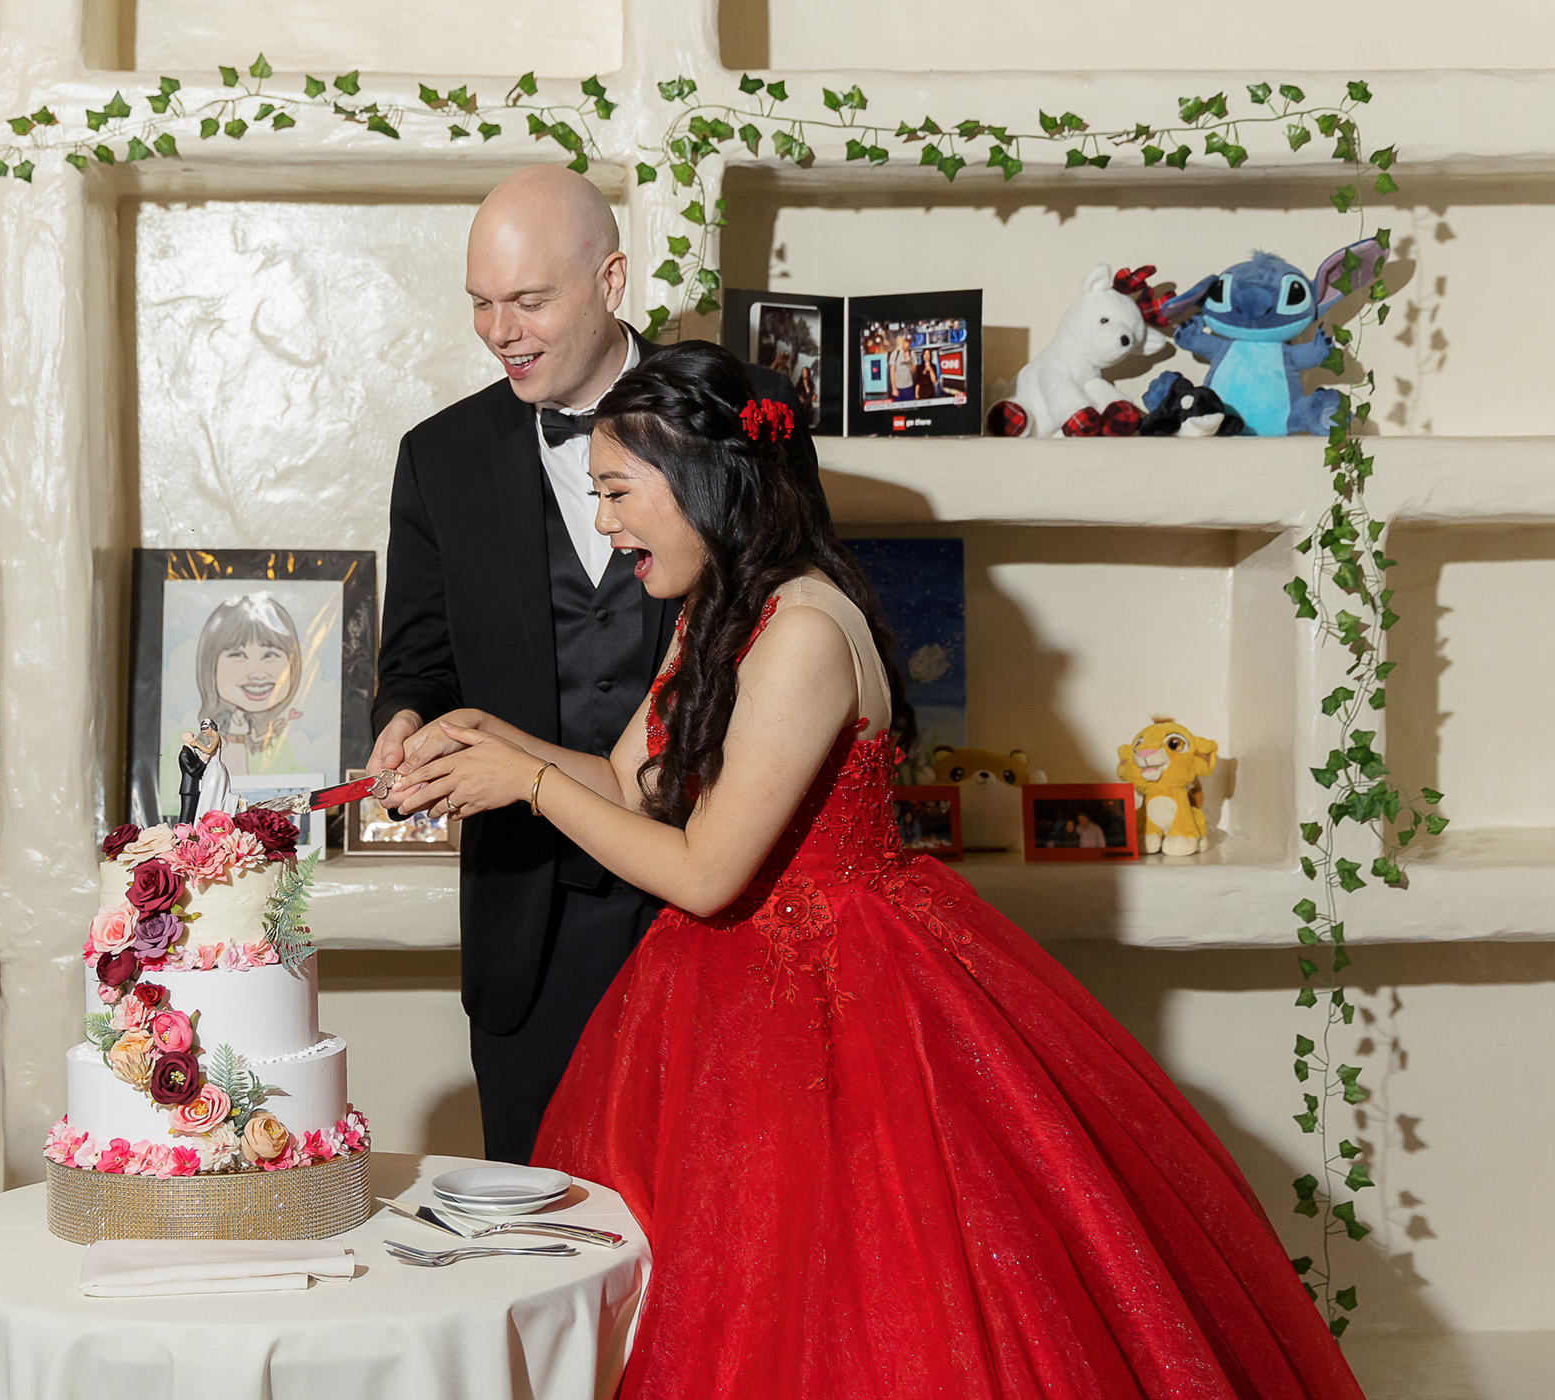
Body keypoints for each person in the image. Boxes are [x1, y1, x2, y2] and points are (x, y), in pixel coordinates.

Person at [393, 342, 1366, 1399]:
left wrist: (528, 788)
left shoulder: (804, 628)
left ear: (701, 481)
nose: (609, 522)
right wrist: (493, 738)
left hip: (842, 1006)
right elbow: (633, 786)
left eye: (620, 492)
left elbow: (708, 870)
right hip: (722, 1003)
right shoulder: (718, 611)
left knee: (844, 1310)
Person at [371, 164, 822, 1164]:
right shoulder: (438, 456)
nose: (501, 330)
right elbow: (417, 658)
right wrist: (406, 720)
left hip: (727, 906)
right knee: (544, 1241)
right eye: (481, 304)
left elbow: (794, 618)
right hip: (531, 927)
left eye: (529, 300)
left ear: (611, 279)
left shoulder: (747, 414)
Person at [190, 593, 306, 776]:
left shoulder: (285, 751)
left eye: (270, 655)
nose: (258, 673)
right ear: (210, 664)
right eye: (238, 655)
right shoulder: (186, 746)